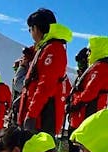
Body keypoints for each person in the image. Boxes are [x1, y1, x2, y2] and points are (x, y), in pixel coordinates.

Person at [18, 8, 72, 137]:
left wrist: (31, 115)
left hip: (42, 117)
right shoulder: (47, 47)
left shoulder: (53, 49)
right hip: (39, 116)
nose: (30, 33)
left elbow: (46, 85)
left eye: (30, 29)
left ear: (36, 28)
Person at [65, 46, 91, 152]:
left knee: (80, 143)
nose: (79, 65)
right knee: (72, 142)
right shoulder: (80, 76)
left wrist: (74, 105)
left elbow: (85, 95)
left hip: (82, 116)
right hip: (74, 117)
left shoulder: (88, 76)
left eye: (81, 62)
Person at [10, 46, 36, 126]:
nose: (16, 71)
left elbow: (17, 84)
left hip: (24, 114)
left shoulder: (29, 77)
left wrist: (22, 67)